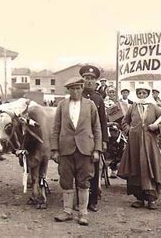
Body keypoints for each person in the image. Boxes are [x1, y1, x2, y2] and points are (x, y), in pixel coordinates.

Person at [51, 77, 102, 226]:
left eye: (78, 88)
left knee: (84, 181)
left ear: (82, 89)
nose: (75, 91)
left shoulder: (90, 105)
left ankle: (83, 213)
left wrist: (97, 150)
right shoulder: (62, 105)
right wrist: (55, 149)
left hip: (85, 148)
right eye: (72, 89)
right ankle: (67, 211)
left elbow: (97, 128)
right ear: (68, 90)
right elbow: (56, 128)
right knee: (66, 180)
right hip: (65, 149)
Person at [118, 83, 161, 210]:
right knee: (136, 168)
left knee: (150, 168)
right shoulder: (132, 107)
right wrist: (129, 130)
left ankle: (151, 198)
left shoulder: (154, 107)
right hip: (135, 143)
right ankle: (139, 198)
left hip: (150, 143)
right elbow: (124, 122)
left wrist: (157, 127)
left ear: (148, 94)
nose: (141, 95)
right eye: (139, 93)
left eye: (144, 93)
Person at [79, 65, 108, 212]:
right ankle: (79, 200)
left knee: (94, 171)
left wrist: (103, 141)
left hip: (93, 139)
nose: (89, 81)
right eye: (86, 78)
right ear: (82, 80)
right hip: (79, 140)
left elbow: (103, 122)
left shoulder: (98, 99)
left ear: (96, 81)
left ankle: (93, 201)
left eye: (92, 78)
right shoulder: (77, 96)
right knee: (79, 170)